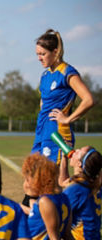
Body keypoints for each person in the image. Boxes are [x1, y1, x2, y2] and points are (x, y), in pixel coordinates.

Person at [6, 153, 83, 240]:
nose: (25, 184)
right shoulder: (64, 199)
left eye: (27, 180)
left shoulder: (45, 202)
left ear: (38, 180)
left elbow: (54, 238)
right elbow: (67, 236)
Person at [31, 29, 94, 164]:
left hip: (56, 133)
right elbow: (44, 102)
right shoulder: (45, 75)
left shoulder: (67, 72)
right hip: (41, 131)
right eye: (37, 54)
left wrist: (68, 119)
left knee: (54, 181)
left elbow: (89, 99)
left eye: (43, 54)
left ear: (55, 52)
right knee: (31, 179)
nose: (39, 58)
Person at [59, 146, 102, 240]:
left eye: (78, 152)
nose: (75, 150)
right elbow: (64, 183)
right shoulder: (92, 183)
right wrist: (64, 159)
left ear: (79, 164)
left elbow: (55, 213)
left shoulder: (77, 189)